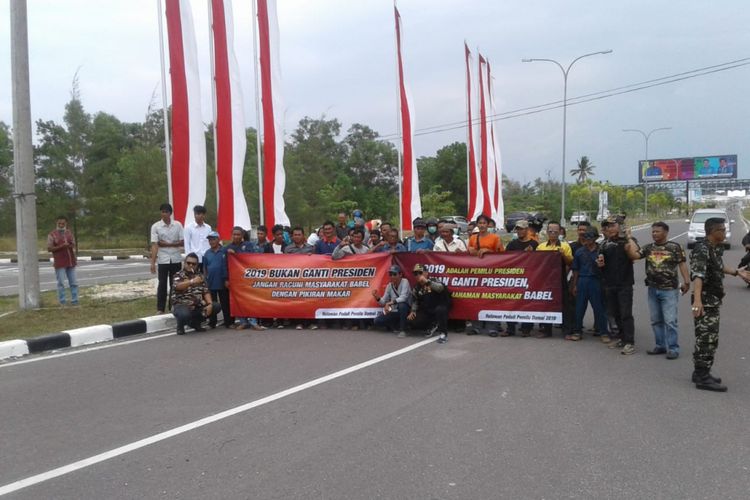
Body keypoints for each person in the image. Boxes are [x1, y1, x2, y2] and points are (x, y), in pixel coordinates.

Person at [689, 217, 750, 391]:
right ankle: (702, 377)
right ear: (712, 232)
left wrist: (736, 272)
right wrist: (698, 301)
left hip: (712, 299)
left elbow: (718, 266)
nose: (724, 233)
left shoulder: (715, 248)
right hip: (705, 301)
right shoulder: (702, 249)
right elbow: (698, 275)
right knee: (707, 339)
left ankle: (701, 372)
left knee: (709, 338)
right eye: (722, 230)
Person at [625, 221, 690, 359]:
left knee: (670, 321)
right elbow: (634, 256)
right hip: (653, 289)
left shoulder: (675, 247)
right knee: (656, 320)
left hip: (669, 290)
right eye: (653, 231)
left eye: (657, 231)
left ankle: (673, 348)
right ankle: (660, 345)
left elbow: (682, 264)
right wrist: (629, 238)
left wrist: (686, 281)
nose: (654, 234)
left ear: (666, 232)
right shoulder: (648, 248)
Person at [597, 216, 639, 355]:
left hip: (624, 284)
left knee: (626, 314)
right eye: (607, 226)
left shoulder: (627, 241)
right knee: (615, 313)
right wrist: (600, 264)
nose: (609, 228)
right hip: (609, 284)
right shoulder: (604, 244)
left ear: (620, 226)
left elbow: (635, 255)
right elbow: (600, 261)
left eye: (612, 225)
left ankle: (630, 343)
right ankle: (622, 338)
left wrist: (628, 236)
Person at [501, 219, 539, 337]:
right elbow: (506, 260)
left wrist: (531, 255)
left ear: (527, 230)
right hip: (515, 278)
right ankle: (510, 328)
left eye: (522, 229)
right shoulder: (512, 244)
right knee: (511, 303)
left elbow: (539, 261)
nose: (520, 231)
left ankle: (526, 328)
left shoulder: (534, 244)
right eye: (518, 229)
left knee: (527, 303)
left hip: (529, 278)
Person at [570, 228, 609, 342]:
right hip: (582, 280)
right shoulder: (579, 252)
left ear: (595, 238)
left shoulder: (601, 251)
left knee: (599, 308)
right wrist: (575, 284)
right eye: (585, 237)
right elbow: (575, 270)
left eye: (590, 238)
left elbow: (607, 268)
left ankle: (603, 332)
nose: (587, 240)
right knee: (579, 308)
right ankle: (577, 331)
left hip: (596, 281)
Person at [536, 221, 574, 338]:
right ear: (547, 232)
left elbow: (570, 263)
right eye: (550, 231)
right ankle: (546, 330)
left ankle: (567, 331)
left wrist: (563, 255)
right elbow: (535, 263)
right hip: (546, 279)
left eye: (555, 231)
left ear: (560, 232)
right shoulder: (541, 246)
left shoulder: (565, 246)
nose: (553, 233)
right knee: (546, 304)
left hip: (560, 278)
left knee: (564, 305)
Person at [225, 226, 265, 331]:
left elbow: (252, 258)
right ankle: (243, 322)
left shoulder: (248, 245)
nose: (236, 236)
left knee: (250, 300)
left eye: (238, 234)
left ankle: (253, 322)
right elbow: (224, 265)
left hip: (248, 278)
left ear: (242, 236)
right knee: (239, 301)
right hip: (235, 280)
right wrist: (226, 279)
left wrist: (237, 255)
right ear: (231, 235)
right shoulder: (227, 248)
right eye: (234, 234)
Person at [172, 253, 221, 335]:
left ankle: (196, 323)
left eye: (193, 264)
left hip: (197, 305)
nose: (191, 265)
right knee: (184, 315)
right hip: (182, 305)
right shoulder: (178, 275)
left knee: (216, 306)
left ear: (197, 265)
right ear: (184, 263)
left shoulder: (200, 276)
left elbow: (206, 291)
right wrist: (192, 281)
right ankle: (180, 326)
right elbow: (177, 286)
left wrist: (209, 304)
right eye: (188, 263)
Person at [150, 203, 184, 314]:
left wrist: (166, 244)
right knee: (162, 284)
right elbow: (155, 245)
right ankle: (160, 308)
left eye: (166, 212)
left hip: (176, 259)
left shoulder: (178, 225)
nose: (164, 214)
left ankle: (173, 306)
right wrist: (152, 262)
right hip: (163, 259)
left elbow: (182, 241)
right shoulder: (156, 226)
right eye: (162, 212)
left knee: (175, 283)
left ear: (170, 213)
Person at [408, 264, 451, 344]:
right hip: (428, 310)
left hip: (440, 306)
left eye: (420, 273)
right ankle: (433, 324)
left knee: (440, 310)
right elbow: (415, 300)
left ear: (426, 273)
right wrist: (413, 311)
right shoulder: (416, 287)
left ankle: (443, 334)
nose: (417, 275)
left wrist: (427, 282)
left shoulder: (434, 280)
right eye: (415, 274)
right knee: (412, 320)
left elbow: (440, 288)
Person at [372, 265, 412, 337]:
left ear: (400, 274)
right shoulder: (389, 286)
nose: (392, 276)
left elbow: (403, 298)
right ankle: (395, 325)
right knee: (377, 321)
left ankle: (402, 330)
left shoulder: (405, 282)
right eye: (390, 274)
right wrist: (377, 297)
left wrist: (389, 303)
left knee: (402, 305)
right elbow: (383, 302)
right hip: (395, 311)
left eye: (394, 274)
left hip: (407, 310)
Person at [47, 215, 78, 306]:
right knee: (61, 283)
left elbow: (73, 244)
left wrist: (70, 245)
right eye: (59, 223)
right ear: (56, 223)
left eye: (63, 223)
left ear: (66, 223)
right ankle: (62, 301)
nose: (61, 225)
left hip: (70, 261)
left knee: (74, 282)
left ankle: (75, 300)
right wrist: (61, 246)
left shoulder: (69, 233)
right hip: (59, 262)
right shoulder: (52, 234)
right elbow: (49, 248)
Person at [202, 231, 229, 328]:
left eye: (213, 239)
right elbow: (205, 268)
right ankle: (212, 322)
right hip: (211, 282)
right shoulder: (207, 253)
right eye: (209, 240)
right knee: (211, 303)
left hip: (222, 282)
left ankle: (228, 322)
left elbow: (228, 266)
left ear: (218, 239)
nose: (211, 241)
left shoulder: (224, 251)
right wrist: (205, 280)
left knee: (225, 303)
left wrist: (227, 279)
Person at [183, 205, 211, 271]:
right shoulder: (188, 228)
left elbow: (209, 242)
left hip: (205, 257)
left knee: (205, 278)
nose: (199, 216)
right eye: (197, 214)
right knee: (193, 277)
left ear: (204, 215)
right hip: (194, 259)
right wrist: (188, 259)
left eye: (201, 214)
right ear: (194, 215)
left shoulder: (208, 228)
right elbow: (187, 243)